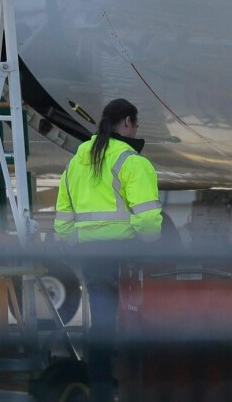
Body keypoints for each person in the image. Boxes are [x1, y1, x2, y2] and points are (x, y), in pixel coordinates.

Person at [54, 98, 163, 402]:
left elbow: (63, 216)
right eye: (135, 124)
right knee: (138, 317)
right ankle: (136, 382)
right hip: (125, 251)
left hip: (92, 254)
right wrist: (152, 245)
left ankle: (100, 386)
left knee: (102, 320)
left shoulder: (77, 161)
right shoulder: (131, 162)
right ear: (127, 122)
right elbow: (148, 220)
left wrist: (75, 242)